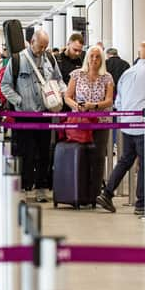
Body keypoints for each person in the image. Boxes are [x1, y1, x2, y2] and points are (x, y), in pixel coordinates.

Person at [96, 40, 145, 215]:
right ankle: (142, 203)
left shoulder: (127, 72)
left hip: (126, 124)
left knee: (125, 160)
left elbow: (118, 101)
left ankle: (107, 193)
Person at [0, 29, 65, 202]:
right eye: (40, 46)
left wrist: (62, 94)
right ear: (31, 41)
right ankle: (24, 187)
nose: (42, 49)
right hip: (24, 116)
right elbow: (5, 86)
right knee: (24, 153)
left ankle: (41, 187)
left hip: (45, 113)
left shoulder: (49, 59)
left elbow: (59, 79)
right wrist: (19, 100)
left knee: (44, 153)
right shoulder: (16, 60)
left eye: (45, 46)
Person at [64, 45, 114, 193]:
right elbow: (67, 96)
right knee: (81, 155)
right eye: (92, 56)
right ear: (87, 58)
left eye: (98, 56)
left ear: (102, 59)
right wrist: (76, 106)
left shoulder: (107, 77)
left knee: (99, 157)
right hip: (80, 121)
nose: (94, 59)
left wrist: (94, 105)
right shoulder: (76, 75)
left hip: (101, 122)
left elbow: (109, 100)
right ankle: (79, 190)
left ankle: (95, 192)